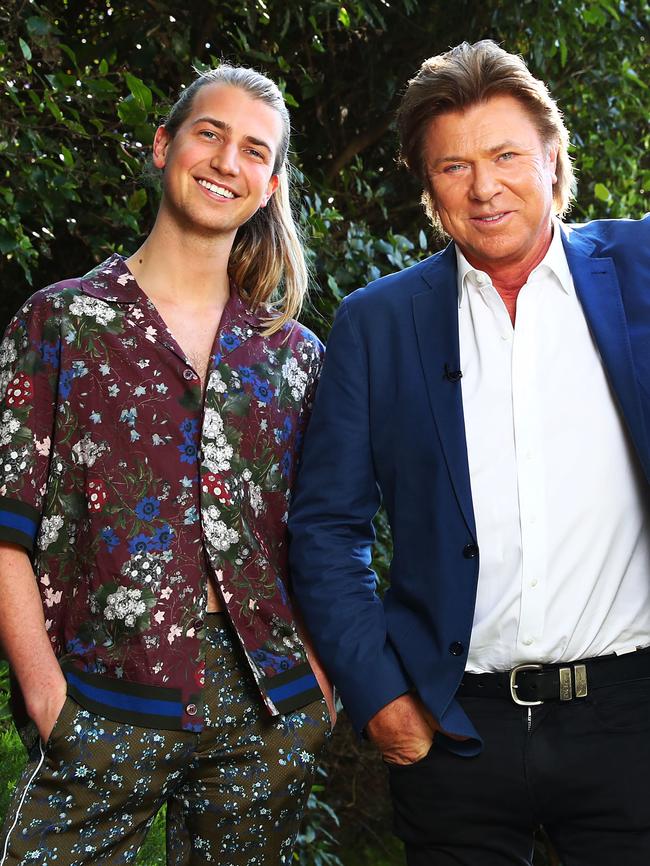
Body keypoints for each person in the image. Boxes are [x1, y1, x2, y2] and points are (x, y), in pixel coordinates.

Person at [289, 39, 650, 866]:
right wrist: (379, 695)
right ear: (428, 188)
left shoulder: (639, 268)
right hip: (455, 731)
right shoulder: (378, 324)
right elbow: (325, 527)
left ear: (553, 161)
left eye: (505, 156)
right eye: (453, 166)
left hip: (631, 721)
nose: (484, 187)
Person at [0, 64, 333, 866]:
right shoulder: (63, 320)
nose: (226, 161)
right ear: (164, 145)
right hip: (101, 691)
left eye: (254, 150)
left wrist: (320, 690)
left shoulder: (296, 357)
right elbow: (5, 524)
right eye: (209, 133)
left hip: (265, 708)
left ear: (270, 185)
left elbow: (328, 535)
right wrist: (47, 697)